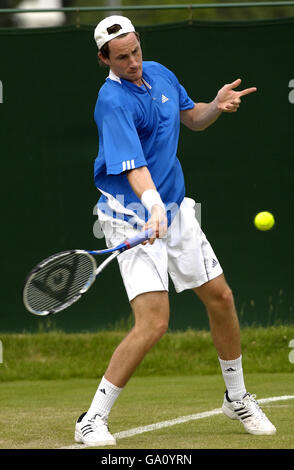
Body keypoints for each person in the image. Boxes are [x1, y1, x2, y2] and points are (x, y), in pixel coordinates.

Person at [75, 15, 276, 446]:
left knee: (221, 297)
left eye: (136, 51)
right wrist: (151, 208)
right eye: (122, 57)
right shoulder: (111, 102)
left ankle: (237, 396)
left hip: (175, 211)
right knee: (154, 322)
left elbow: (193, 119)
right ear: (104, 58)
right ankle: (91, 418)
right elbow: (133, 168)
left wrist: (215, 107)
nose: (133, 62)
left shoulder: (161, 73)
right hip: (129, 215)